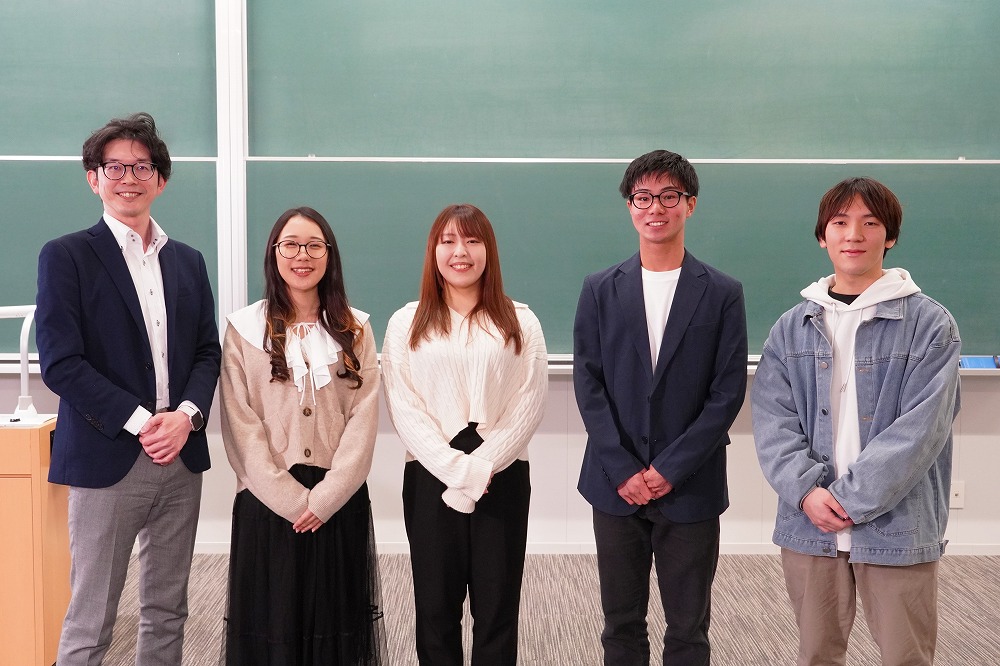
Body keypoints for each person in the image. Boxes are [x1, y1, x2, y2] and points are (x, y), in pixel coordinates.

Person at [35, 112, 221, 665]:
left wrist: (185, 416)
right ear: (93, 178)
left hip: (180, 453)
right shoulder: (66, 255)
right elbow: (62, 364)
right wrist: (144, 422)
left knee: (167, 610)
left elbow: (207, 353)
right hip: (107, 454)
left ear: (160, 179)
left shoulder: (188, 261)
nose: (128, 178)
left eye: (142, 167)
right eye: (114, 167)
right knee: (92, 617)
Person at [751, 177, 961, 666]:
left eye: (870, 223)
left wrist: (850, 499)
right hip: (811, 522)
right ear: (822, 236)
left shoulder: (930, 324)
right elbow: (773, 421)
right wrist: (808, 492)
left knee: (906, 656)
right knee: (816, 654)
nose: (853, 235)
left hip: (898, 524)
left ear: (890, 237)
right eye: (840, 222)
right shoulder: (791, 327)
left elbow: (921, 429)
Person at [574, 150, 748, 665]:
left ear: (690, 205)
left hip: (691, 485)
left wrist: (670, 469)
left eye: (669, 196)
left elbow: (726, 393)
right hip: (615, 484)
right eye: (643, 197)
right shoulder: (600, 288)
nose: (656, 208)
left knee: (689, 629)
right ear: (630, 206)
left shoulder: (722, 293)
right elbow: (588, 383)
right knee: (620, 624)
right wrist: (623, 468)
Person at [381, 203, 547, 665]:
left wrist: (481, 468)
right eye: (449, 241)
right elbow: (404, 406)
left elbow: (529, 403)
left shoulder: (521, 320)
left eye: (473, 241)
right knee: (436, 609)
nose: (461, 252)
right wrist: (458, 471)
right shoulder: (406, 322)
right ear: (433, 250)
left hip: (502, 475)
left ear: (488, 250)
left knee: (497, 610)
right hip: (430, 476)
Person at [220, 206, 385, 665]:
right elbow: (239, 422)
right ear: (274, 253)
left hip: (337, 502)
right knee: (273, 626)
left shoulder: (357, 328)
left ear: (329, 255)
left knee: (334, 626)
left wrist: (326, 498)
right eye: (290, 245)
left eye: (314, 246)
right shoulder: (243, 330)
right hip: (267, 501)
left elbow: (364, 418)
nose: (302, 256)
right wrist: (292, 501)